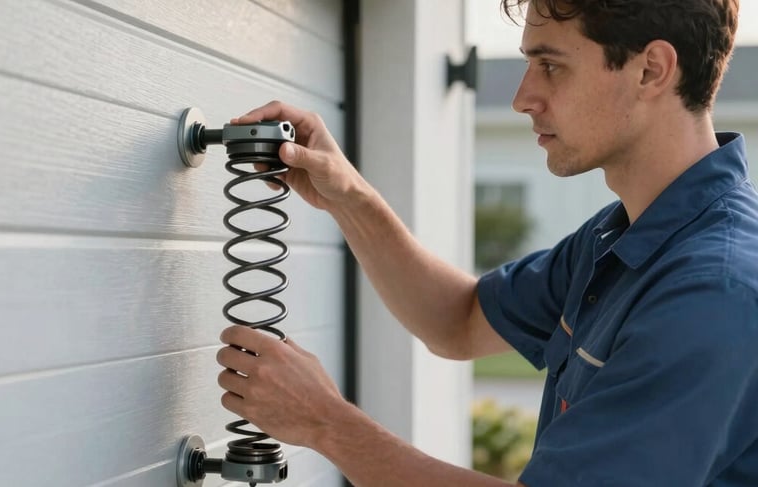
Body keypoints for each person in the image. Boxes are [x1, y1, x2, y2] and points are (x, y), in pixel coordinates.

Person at [216, 0, 758, 485]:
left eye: (550, 66)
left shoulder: (713, 293)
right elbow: (458, 320)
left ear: (652, 69)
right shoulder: (620, 239)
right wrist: (346, 194)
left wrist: (326, 423)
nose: (523, 97)